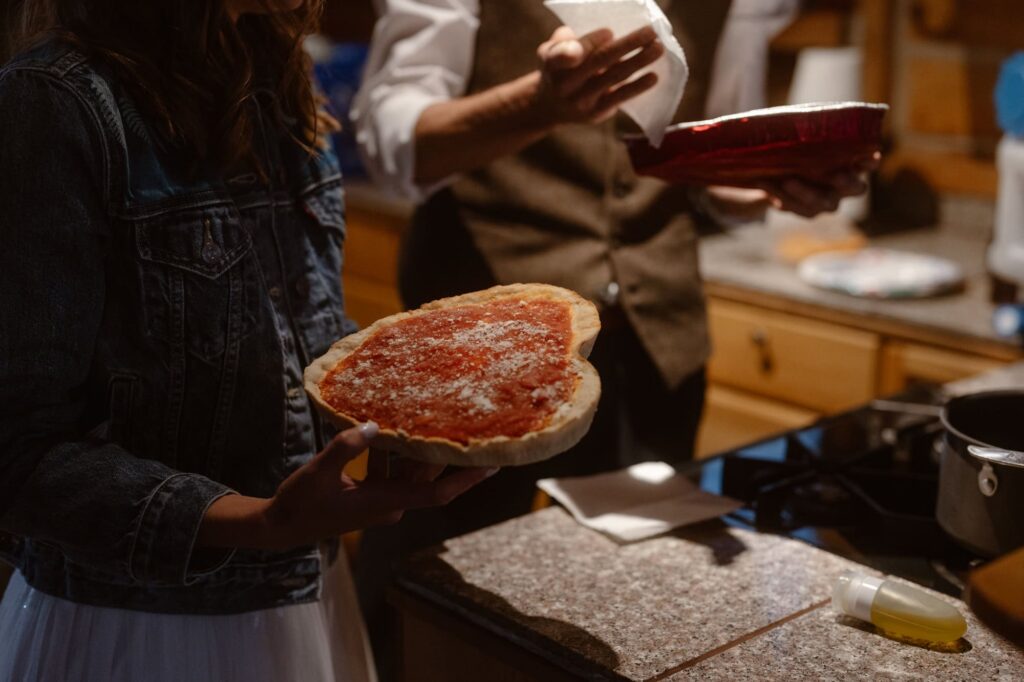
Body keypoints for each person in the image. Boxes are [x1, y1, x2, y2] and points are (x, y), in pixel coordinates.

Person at [351, 0, 877, 676]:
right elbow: (392, 146)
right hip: (478, 365)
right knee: (436, 624)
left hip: (657, 352)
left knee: (632, 626)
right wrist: (537, 105)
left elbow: (692, 155)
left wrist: (764, 179)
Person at [0, 2, 496, 680]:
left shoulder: (276, 83)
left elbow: (298, 350)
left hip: (306, 599)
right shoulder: (54, 104)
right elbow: (18, 452)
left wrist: (407, 413)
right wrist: (258, 522)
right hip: (138, 629)